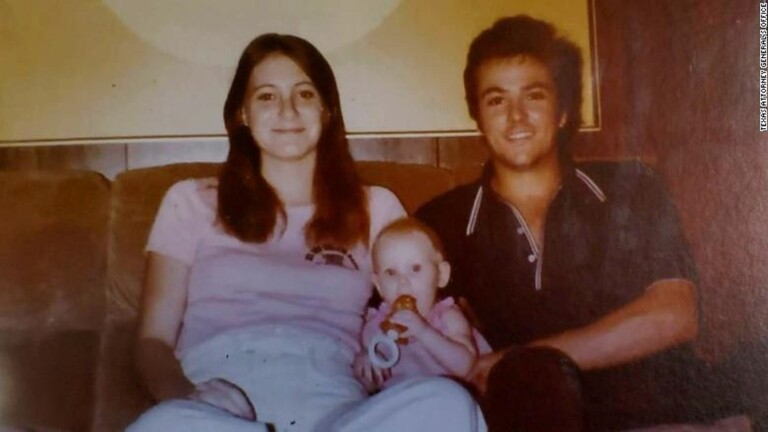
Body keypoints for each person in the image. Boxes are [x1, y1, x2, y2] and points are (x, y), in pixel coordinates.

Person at [128, 33, 487, 432]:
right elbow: (152, 342)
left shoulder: (377, 208)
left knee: (448, 403)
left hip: (337, 413)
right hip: (217, 409)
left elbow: (426, 308)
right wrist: (188, 399)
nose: (287, 110)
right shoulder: (190, 201)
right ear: (242, 113)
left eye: (304, 93)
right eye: (267, 96)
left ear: (326, 110)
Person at [416, 15, 702, 432]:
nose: (516, 117)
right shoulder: (440, 220)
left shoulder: (632, 187)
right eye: (496, 100)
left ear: (563, 110)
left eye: (533, 96)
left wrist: (525, 361)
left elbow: (677, 313)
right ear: (477, 116)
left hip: (654, 417)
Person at [353, 217, 489, 391]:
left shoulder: (448, 317)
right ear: (378, 284)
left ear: (441, 275)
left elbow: (466, 367)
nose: (403, 282)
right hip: (405, 402)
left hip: (446, 396)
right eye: (391, 272)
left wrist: (424, 332)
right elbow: (370, 386)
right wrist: (365, 362)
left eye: (415, 269)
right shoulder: (375, 327)